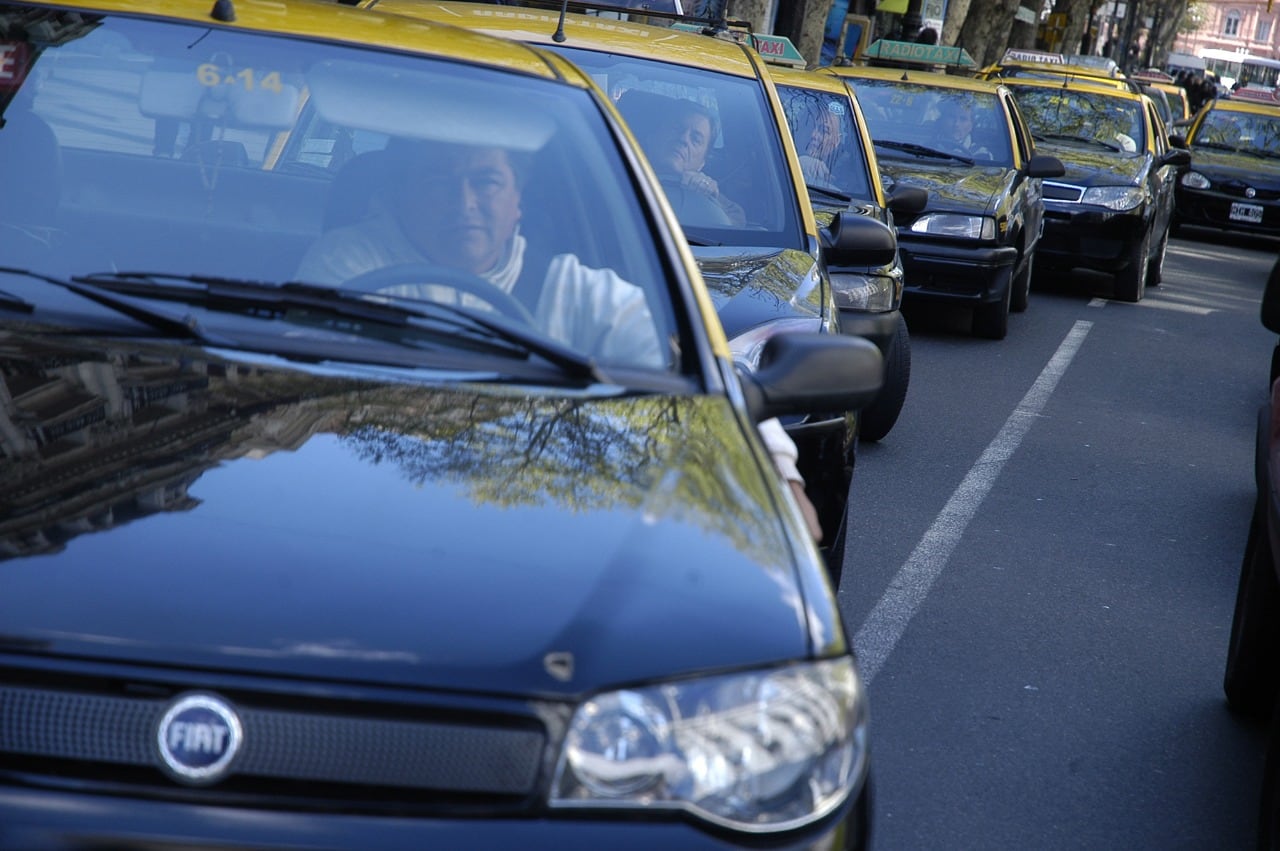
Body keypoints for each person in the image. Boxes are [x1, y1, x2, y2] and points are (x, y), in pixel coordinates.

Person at [296, 138, 823, 540]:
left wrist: (779, 476)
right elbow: (305, 391)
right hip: (355, 506)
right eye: (439, 181)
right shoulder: (348, 267)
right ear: (403, 195)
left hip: (534, 523)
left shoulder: (579, 292)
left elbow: (699, 375)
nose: (465, 202)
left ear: (517, 200)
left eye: (486, 181)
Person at [626, 95, 746, 227]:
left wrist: (711, 195)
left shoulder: (709, 197)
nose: (683, 139)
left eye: (695, 139)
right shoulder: (615, 172)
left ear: (702, 163)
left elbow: (735, 228)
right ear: (652, 137)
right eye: (677, 129)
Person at [795, 100, 845, 187]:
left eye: (824, 131)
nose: (813, 135)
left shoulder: (845, 178)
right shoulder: (778, 151)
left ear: (837, 140)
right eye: (809, 126)